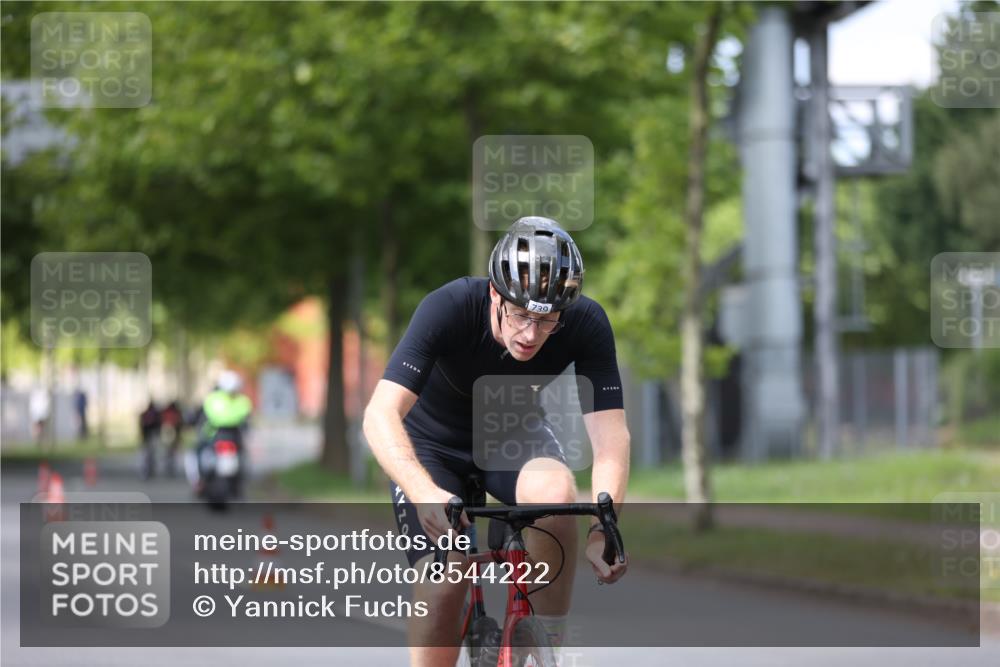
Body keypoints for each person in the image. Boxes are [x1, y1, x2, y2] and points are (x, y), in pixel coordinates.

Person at [363, 216, 631, 667]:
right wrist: (424, 493)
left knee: (557, 494)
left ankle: (544, 647)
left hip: (512, 435)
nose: (531, 335)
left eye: (547, 322)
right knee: (449, 574)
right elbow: (379, 414)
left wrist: (605, 525)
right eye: (522, 315)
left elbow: (611, 436)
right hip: (432, 445)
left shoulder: (586, 323)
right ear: (495, 294)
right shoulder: (448, 307)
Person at [195, 370, 252, 490]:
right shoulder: (242, 401)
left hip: (216, 436)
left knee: (199, 452)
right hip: (232, 437)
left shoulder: (212, 399)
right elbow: (246, 421)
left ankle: (200, 482)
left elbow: (203, 419)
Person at [138, 400, 161, 479]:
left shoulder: (147, 414)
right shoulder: (153, 414)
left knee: (149, 454)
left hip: (150, 436)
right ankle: (148, 470)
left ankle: (149, 470)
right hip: (149, 436)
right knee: (148, 455)